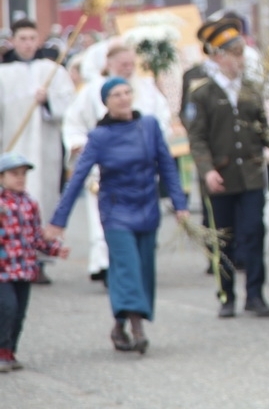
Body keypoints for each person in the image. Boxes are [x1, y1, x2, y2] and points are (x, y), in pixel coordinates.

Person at [47, 78, 188, 354]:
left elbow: (167, 167)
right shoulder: (99, 137)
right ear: (106, 102)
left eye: (127, 92)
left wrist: (179, 204)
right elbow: (77, 178)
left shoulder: (149, 126)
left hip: (147, 206)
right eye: (116, 95)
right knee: (127, 267)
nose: (123, 98)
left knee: (143, 270)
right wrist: (58, 221)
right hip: (117, 211)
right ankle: (137, 328)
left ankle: (118, 325)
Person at [185, 18, 269, 318]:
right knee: (222, 239)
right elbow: (197, 138)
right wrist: (207, 170)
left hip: (250, 176)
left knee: (254, 233)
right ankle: (226, 295)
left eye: (241, 53)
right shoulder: (202, 93)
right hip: (220, 178)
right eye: (235, 54)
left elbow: (263, 130)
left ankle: (255, 295)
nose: (241, 59)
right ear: (218, 56)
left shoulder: (251, 89)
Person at [63, 42, 173, 285]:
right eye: (123, 64)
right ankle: (105, 265)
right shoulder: (93, 91)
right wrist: (78, 143)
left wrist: (155, 144)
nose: (128, 68)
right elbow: (73, 123)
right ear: (109, 64)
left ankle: (135, 266)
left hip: (141, 170)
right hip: (105, 170)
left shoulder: (147, 89)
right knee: (106, 223)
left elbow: (162, 120)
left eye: (131, 63)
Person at [0, 18, 76, 283]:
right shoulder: (3, 74)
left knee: (41, 199)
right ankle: (11, 257)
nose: (28, 44)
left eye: (32, 38)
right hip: (13, 145)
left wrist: (49, 101)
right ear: (13, 41)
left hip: (45, 149)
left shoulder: (52, 70)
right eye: (23, 39)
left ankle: (39, 259)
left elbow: (69, 104)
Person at [0, 152, 69, 372]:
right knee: (7, 308)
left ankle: (11, 350)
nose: (20, 178)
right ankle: (2, 350)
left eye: (23, 174)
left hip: (24, 268)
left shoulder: (30, 204)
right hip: (3, 270)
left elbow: (36, 237)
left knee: (19, 312)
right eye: (14, 174)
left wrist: (55, 249)